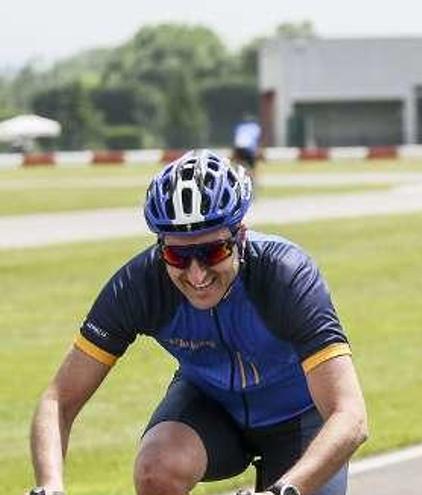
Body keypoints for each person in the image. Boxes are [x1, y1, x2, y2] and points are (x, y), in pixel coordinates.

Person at [28, 150, 368, 495]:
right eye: (178, 255)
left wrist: (287, 490)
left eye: (212, 252)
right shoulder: (140, 285)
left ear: (240, 236)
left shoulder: (285, 276)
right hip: (211, 408)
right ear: (161, 248)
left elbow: (350, 416)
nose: (196, 273)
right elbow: (59, 400)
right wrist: (49, 487)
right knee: (156, 469)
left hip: (299, 419)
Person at [233, 114, 262, 181]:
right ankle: (252, 181)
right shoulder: (255, 127)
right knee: (252, 167)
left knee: (239, 165)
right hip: (248, 149)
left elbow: (237, 139)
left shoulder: (240, 127)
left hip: (238, 148)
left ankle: (237, 180)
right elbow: (257, 141)